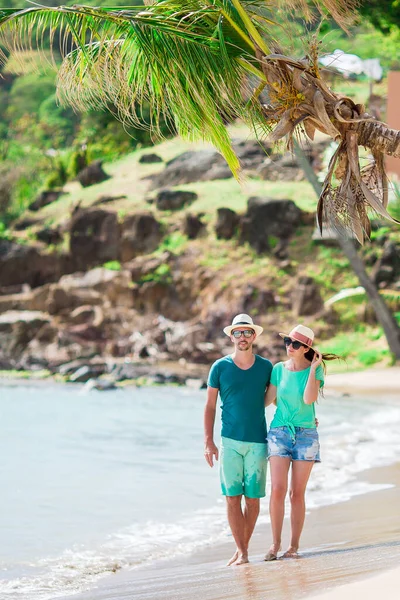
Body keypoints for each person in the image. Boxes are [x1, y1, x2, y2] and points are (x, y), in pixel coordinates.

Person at [264, 324, 339, 561]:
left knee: (297, 493)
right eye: (287, 341)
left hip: (306, 436)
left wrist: (314, 367)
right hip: (279, 432)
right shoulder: (277, 369)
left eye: (295, 343)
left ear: (306, 348)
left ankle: (293, 546)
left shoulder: (314, 371)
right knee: (277, 489)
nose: (290, 346)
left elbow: (308, 399)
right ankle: (274, 545)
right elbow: (267, 400)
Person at [204, 314, 272, 566]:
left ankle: (242, 550)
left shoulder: (266, 367)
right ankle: (242, 552)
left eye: (247, 333)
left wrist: (309, 417)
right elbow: (210, 406)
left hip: (258, 441)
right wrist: (208, 441)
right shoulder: (219, 367)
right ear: (231, 336)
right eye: (237, 333)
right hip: (229, 441)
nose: (242, 337)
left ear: (254, 336)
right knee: (232, 497)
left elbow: (279, 396)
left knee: (252, 500)